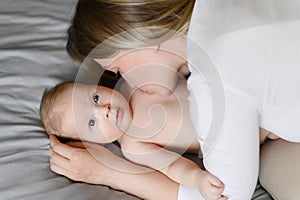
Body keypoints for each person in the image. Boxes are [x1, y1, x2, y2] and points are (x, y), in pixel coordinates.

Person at [65, 0, 300, 199]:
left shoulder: (214, 82)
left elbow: (227, 195)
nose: (126, 81)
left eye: (117, 68)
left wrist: (107, 173)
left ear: (140, 32)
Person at [40, 79, 228, 200]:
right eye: (91, 123)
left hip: (226, 92)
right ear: (94, 143)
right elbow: (171, 166)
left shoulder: (131, 81)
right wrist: (198, 179)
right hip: (224, 138)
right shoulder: (133, 145)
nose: (103, 110)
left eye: (95, 97)